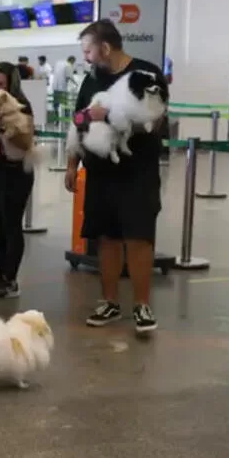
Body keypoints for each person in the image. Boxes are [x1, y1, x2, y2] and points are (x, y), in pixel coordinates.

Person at [64, 19, 168, 335]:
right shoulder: (92, 80)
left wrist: (108, 115)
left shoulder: (146, 75)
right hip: (100, 171)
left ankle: (142, 304)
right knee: (106, 237)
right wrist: (72, 164)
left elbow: (155, 121)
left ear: (105, 48)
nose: (86, 59)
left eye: (89, 52)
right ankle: (109, 302)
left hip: (138, 171)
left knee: (138, 237)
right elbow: (79, 119)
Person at [0, 65, 36, 299]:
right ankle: (2, 274)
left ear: (10, 85)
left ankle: (11, 279)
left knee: (11, 224)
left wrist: (5, 127)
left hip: (15, 173)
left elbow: (26, 142)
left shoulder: (21, 107)